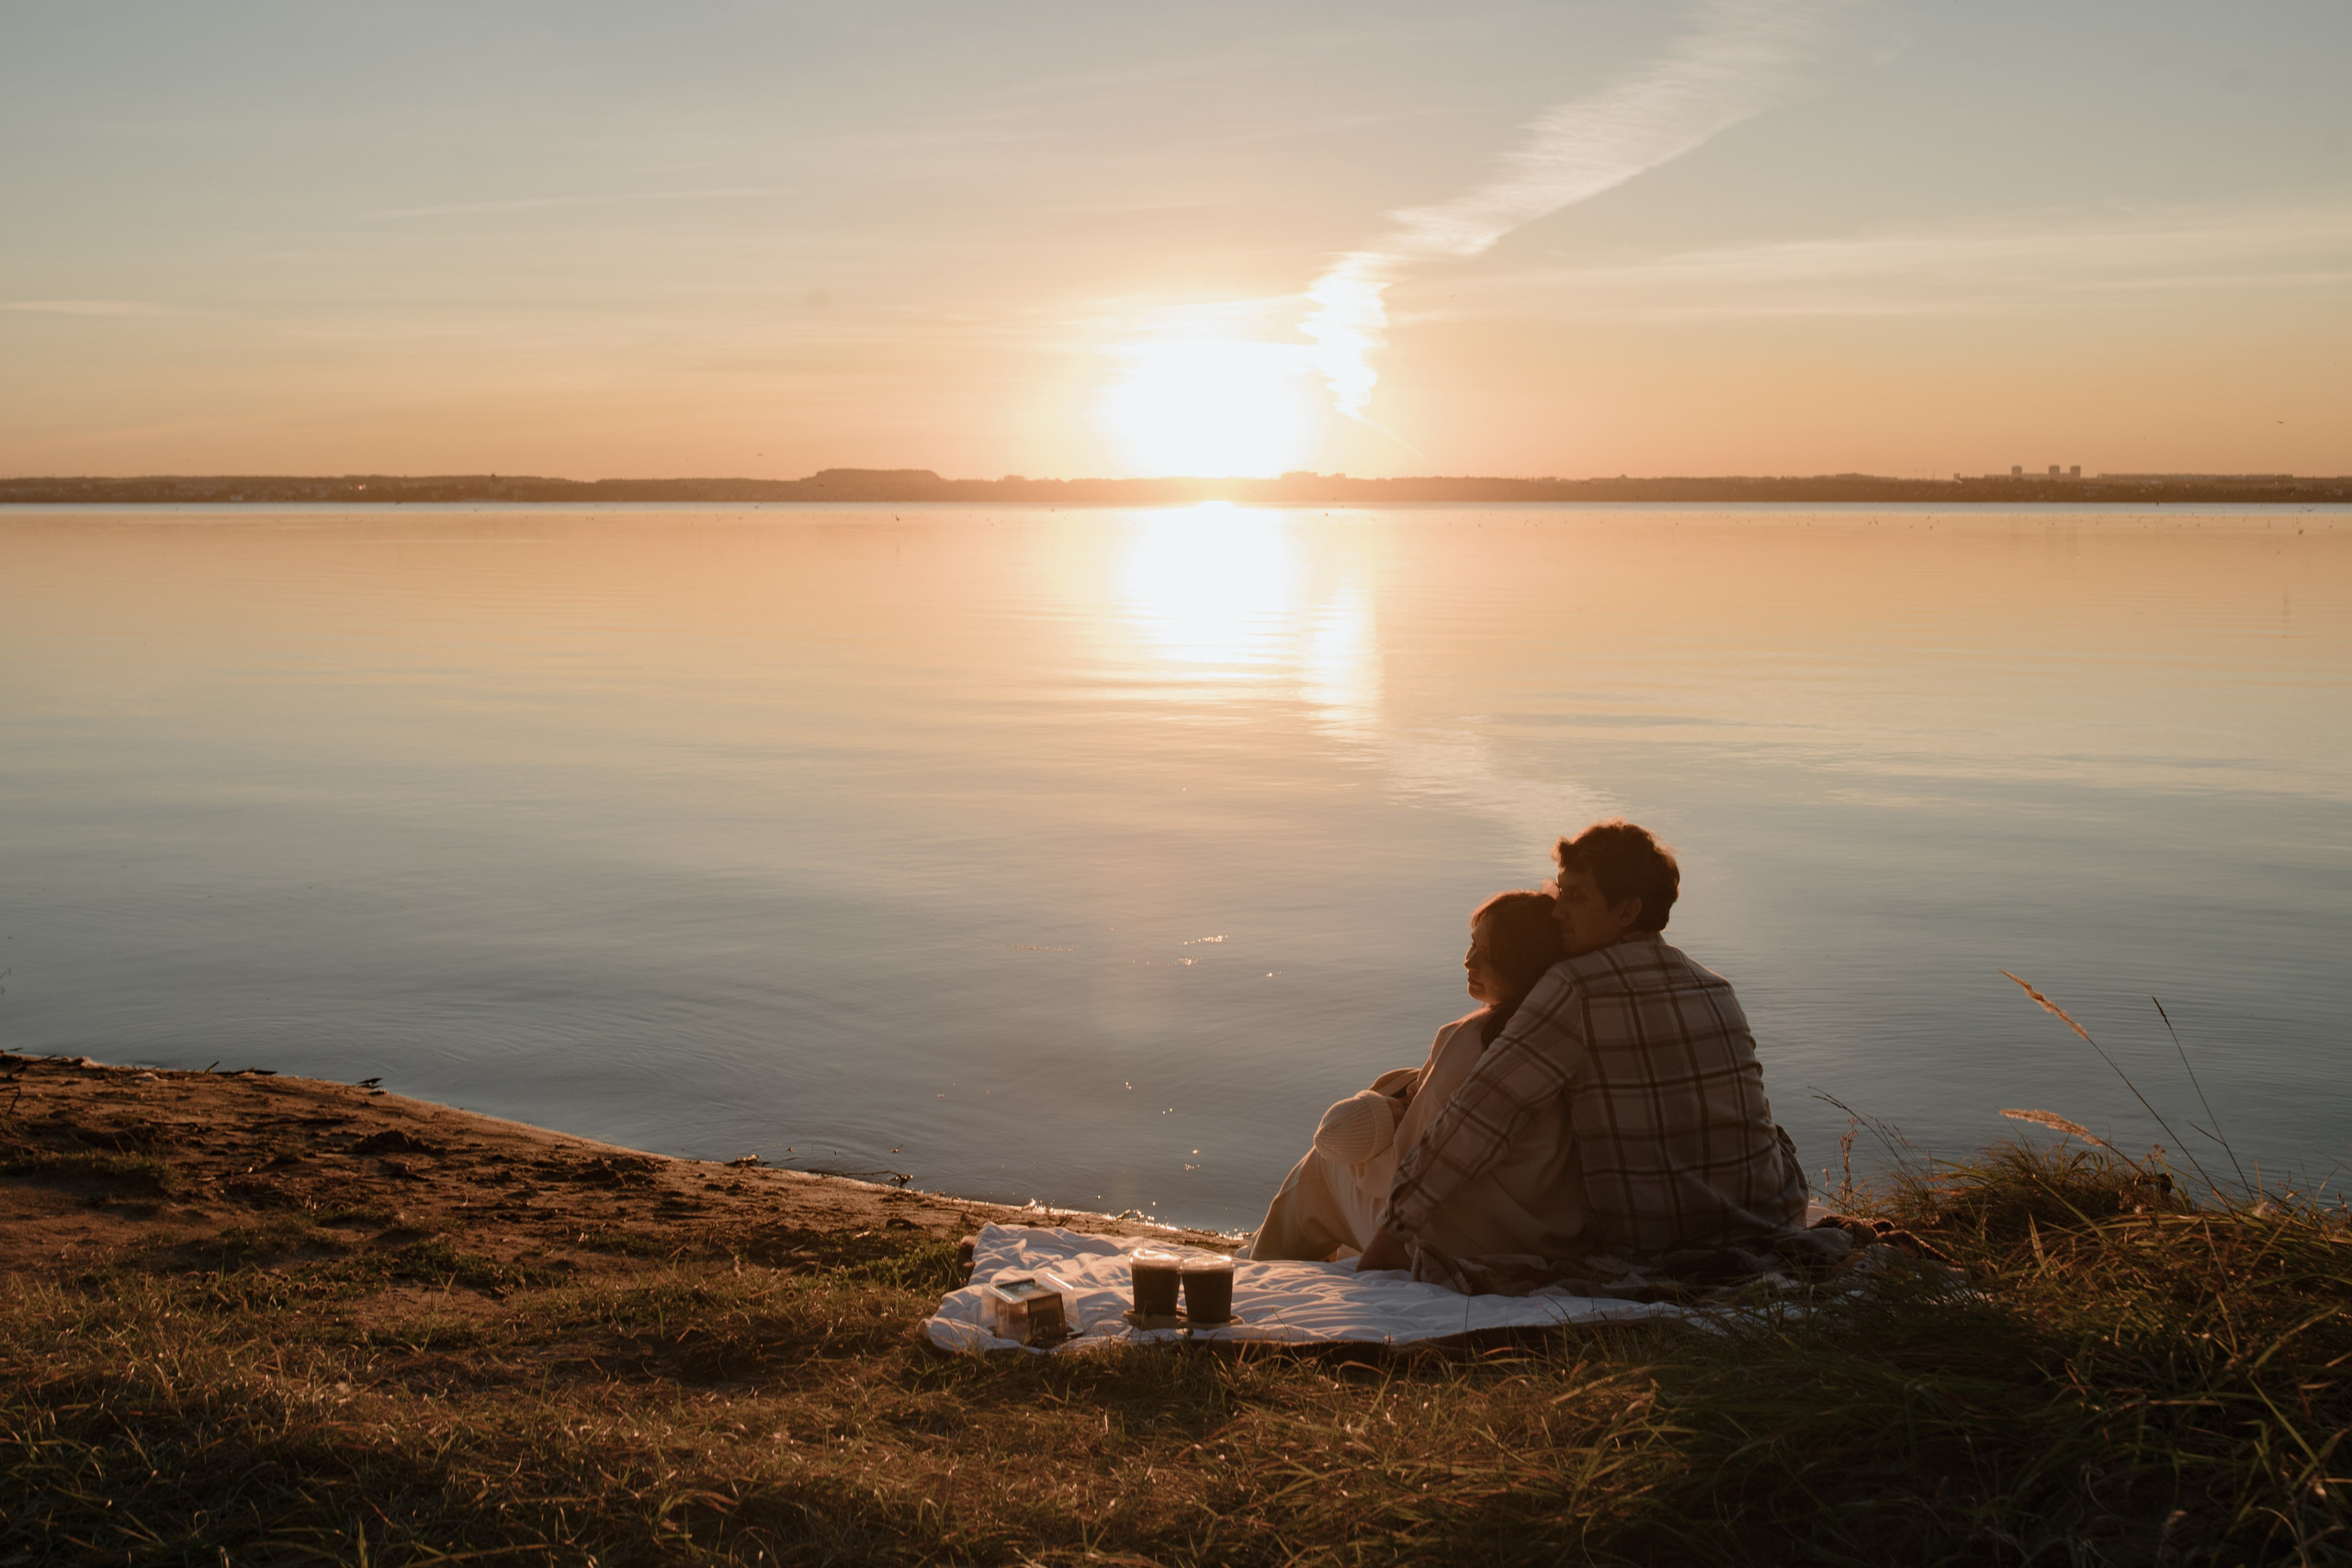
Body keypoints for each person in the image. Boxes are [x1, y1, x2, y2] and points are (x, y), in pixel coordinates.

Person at [1356, 821, 1805, 1277]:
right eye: (1561, 892)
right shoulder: (1715, 987)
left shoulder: (1574, 988)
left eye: (1576, 898)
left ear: (1627, 911)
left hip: (1656, 1241)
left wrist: (1392, 1233)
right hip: (1770, 1218)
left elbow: (1475, 1121)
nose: (1556, 913)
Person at [1242, 890, 1581, 1262]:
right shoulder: (1559, 1029)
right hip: (1538, 1227)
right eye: (1472, 946)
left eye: (1489, 954)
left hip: (1461, 1239)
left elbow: (1414, 1161)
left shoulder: (1473, 1040)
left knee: (1326, 1168)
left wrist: (1382, 1115)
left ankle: (1259, 1265)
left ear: (1524, 962)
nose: (1469, 961)